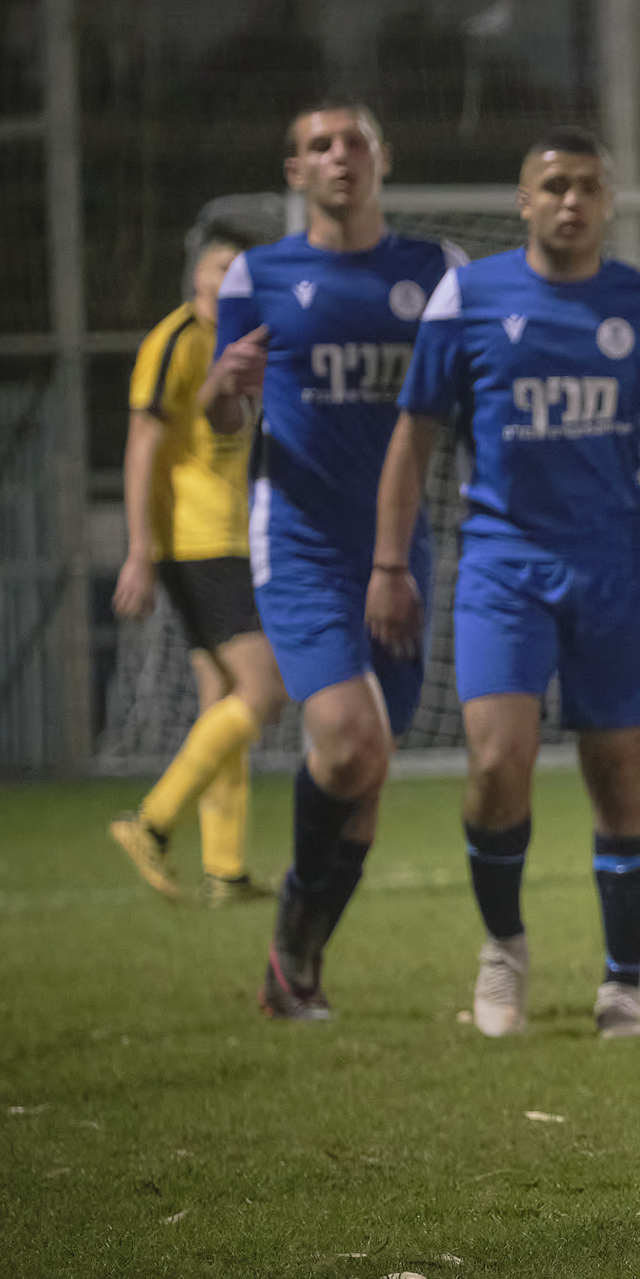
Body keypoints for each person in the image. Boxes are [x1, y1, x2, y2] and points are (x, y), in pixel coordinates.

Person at [371, 126, 640, 1040]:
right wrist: (389, 565)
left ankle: (622, 984)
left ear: (608, 202)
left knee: (622, 779)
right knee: (499, 765)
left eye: (586, 187)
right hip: (501, 564)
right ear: (523, 201)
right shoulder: (467, 299)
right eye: (553, 186)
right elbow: (414, 438)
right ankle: (504, 950)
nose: (570, 201)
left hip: (615, 566)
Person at [210, 103, 465, 1021]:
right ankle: (291, 926)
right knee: (351, 741)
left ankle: (297, 961)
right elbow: (222, 416)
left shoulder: (436, 273)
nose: (339, 156)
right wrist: (221, 390)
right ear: (295, 172)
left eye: (353, 141)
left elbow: (468, 398)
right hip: (305, 545)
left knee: (368, 770)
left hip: (400, 550)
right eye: (320, 145)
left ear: (382, 159)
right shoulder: (258, 274)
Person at [108, 229, 286, 906]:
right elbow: (141, 446)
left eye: (238, 269)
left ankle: (226, 871)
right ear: (197, 276)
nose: (226, 279)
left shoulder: (244, 340)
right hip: (198, 543)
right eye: (218, 267)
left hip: (229, 540)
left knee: (223, 702)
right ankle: (151, 822)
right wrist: (138, 550)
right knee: (264, 690)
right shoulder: (176, 340)